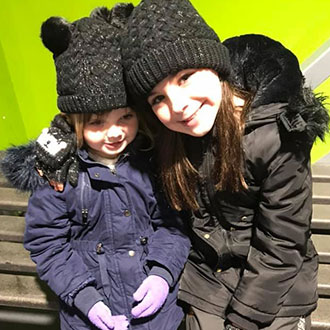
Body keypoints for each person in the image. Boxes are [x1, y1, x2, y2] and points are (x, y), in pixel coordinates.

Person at [120, 0, 330, 330]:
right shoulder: (172, 135)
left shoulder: (274, 135)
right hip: (208, 279)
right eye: (157, 98)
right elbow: (100, 122)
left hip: (276, 283)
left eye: (185, 77)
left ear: (214, 65)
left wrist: (243, 319)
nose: (178, 106)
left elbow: (282, 244)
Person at [1, 4, 190, 330]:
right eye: (97, 122)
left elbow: (173, 224)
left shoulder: (151, 158)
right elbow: (48, 243)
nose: (115, 132)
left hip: (158, 317)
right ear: (74, 123)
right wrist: (85, 298)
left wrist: (162, 274)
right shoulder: (58, 172)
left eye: (125, 117)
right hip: (88, 315)